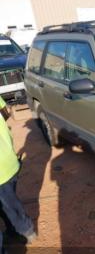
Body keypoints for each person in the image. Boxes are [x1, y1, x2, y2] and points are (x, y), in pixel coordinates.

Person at [0, 96, 36, 250]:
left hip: (2, 168)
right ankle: (19, 231)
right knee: (8, 203)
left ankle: (24, 232)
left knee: (8, 204)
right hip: (7, 159)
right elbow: (5, 112)